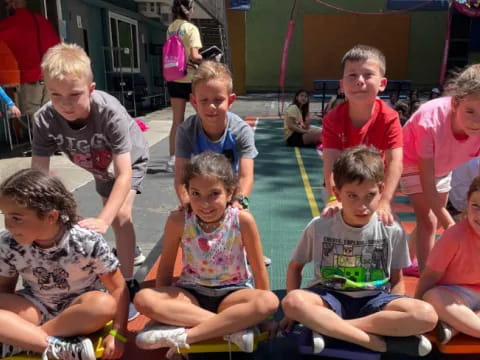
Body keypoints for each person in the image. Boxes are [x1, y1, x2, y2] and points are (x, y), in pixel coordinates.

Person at [280, 145, 437, 357]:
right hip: (329, 297)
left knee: (427, 316)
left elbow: (397, 279)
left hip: (375, 299)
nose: (361, 205)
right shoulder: (320, 226)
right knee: (292, 302)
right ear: (337, 192)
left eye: (369, 195)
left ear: (381, 191)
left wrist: (396, 306)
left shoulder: (392, 229)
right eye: (352, 195)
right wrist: (292, 313)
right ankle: (372, 341)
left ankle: (330, 329)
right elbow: (295, 267)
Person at [30, 43, 149, 320]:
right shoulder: (45, 119)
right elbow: (39, 176)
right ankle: (131, 248)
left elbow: (124, 173)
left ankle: (128, 282)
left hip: (129, 161)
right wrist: (52, 213)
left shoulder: (109, 113)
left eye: (75, 95)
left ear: (91, 89)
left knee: (119, 215)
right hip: (98, 167)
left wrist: (104, 221)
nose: (66, 104)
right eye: (56, 95)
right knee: (107, 215)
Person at [133, 152, 279, 356]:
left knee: (269, 302)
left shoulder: (242, 220)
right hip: (191, 295)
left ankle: (185, 335)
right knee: (143, 298)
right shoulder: (179, 220)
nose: (205, 203)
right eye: (196, 194)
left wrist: (267, 319)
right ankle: (231, 328)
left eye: (214, 194)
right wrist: (161, 311)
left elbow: (258, 267)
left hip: (234, 294)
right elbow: (165, 268)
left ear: (230, 193)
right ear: (187, 192)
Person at [0, 169, 129, 360]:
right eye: (5, 216)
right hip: (37, 308)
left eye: (16, 218)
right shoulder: (8, 243)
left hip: (79, 313)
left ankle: (24, 343)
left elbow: (118, 288)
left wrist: (118, 334)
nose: (8, 225)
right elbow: (5, 291)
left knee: (104, 304)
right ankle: (56, 346)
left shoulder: (85, 241)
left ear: (51, 217)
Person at [173, 60, 270, 265]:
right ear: (193, 101)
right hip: (199, 190)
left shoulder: (240, 130)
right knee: (185, 219)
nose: (211, 107)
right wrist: (187, 203)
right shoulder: (186, 131)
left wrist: (238, 202)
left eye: (218, 100)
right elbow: (181, 176)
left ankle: (251, 252)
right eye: (204, 100)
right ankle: (194, 256)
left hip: (229, 189)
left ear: (231, 100)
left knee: (243, 218)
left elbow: (246, 175)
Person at [400, 64, 480, 272]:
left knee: (434, 220)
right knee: (429, 218)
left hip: (443, 166)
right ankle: (428, 275)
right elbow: (427, 182)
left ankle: (407, 259)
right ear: (455, 104)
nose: (476, 121)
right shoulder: (431, 123)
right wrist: (452, 226)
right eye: (470, 111)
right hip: (412, 162)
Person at [321, 45, 403, 226]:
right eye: (352, 75)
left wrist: (385, 201)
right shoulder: (333, 119)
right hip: (342, 186)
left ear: (382, 83)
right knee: (334, 225)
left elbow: (395, 162)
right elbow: (330, 163)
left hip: (372, 188)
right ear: (342, 85)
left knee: (384, 228)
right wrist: (333, 198)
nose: (360, 81)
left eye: (368, 75)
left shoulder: (389, 118)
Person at [415, 176, 480, 345]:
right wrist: (416, 308)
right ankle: (469, 325)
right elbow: (430, 276)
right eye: (476, 206)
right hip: (454, 295)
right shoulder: (454, 236)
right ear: (466, 204)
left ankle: (455, 328)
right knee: (432, 297)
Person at [0, 0, 60, 121]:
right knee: (52, 118)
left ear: (13, 4)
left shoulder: (10, 24)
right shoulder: (43, 22)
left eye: (7, 4)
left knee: (35, 122)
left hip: (30, 81)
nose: (6, 8)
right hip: (52, 78)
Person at [165, 0, 203, 172]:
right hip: (191, 79)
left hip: (174, 77)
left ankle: (173, 158)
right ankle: (203, 155)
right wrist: (208, 58)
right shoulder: (191, 29)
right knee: (203, 118)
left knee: (177, 121)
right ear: (190, 10)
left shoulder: (171, 28)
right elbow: (195, 55)